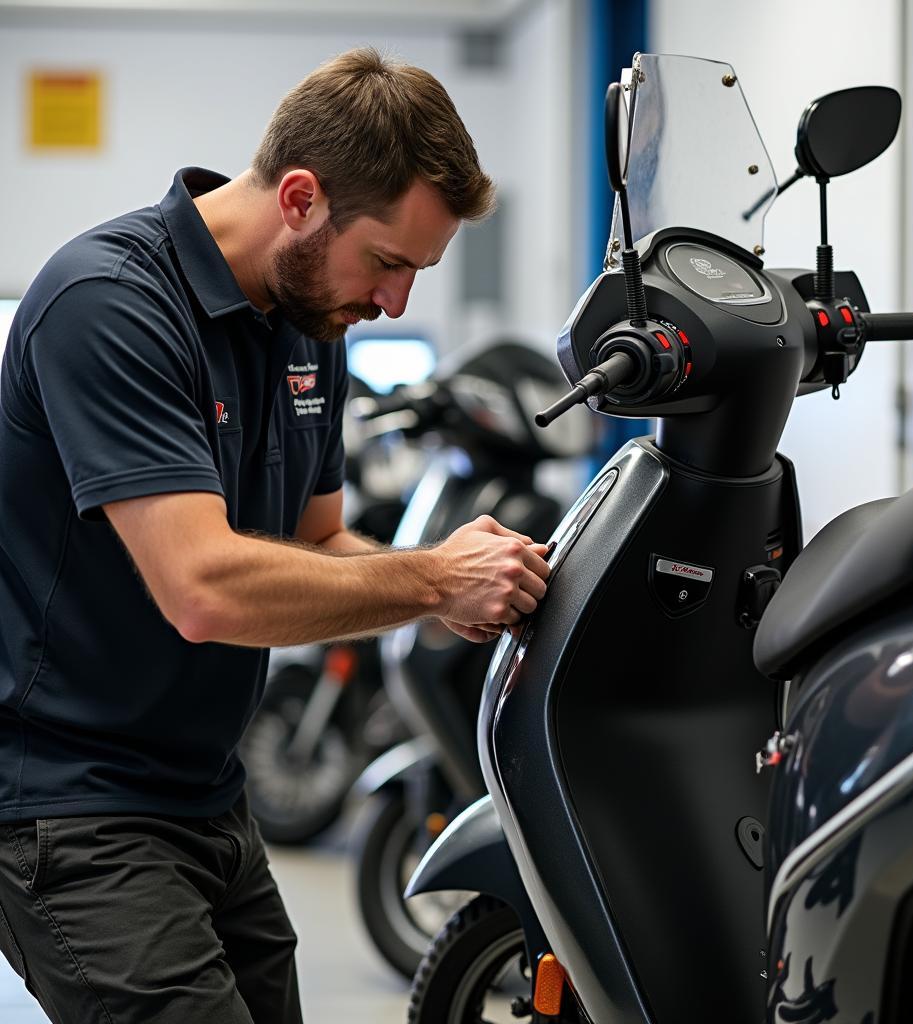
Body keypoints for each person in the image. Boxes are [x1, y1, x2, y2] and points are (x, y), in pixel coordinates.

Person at [0, 47, 549, 1023]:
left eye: (416, 274)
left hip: (208, 790)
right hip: (72, 805)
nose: (395, 303)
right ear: (299, 197)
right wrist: (429, 579)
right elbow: (203, 589)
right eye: (387, 262)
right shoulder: (110, 305)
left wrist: (473, 595)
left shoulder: (309, 323)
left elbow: (320, 545)